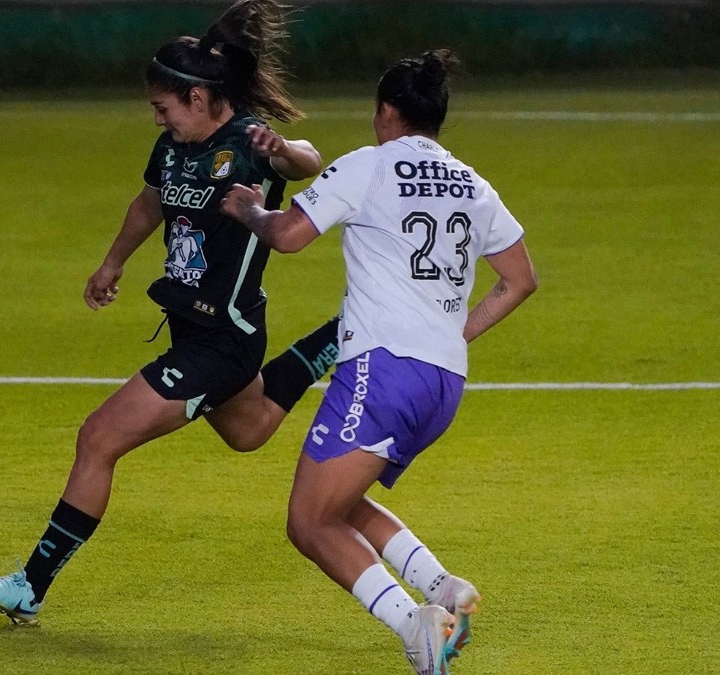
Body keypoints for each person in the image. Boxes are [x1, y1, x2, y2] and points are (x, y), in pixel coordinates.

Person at [0, 0, 339, 626]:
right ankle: (342, 333)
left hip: (220, 341)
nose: (158, 118)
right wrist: (112, 263)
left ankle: (30, 586)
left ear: (198, 97)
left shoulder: (249, 143)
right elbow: (149, 205)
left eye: (163, 107)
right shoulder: (172, 148)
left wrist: (283, 147)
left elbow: (308, 161)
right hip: (198, 328)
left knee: (98, 438)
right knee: (248, 431)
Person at [219, 49, 539, 675]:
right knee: (339, 497)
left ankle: (416, 625)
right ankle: (444, 588)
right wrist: (455, 333)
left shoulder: (369, 165)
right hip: (444, 381)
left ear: (387, 111)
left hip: (382, 370)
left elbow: (287, 236)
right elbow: (520, 279)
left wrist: (249, 208)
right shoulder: (473, 184)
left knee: (310, 522)